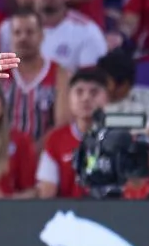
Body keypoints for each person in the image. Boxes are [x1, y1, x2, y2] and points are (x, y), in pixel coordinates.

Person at [37, 68, 109, 199]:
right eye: (79, 92)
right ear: (69, 99)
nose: (86, 98)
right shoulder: (56, 139)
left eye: (94, 92)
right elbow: (47, 192)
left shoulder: (119, 138)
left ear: (107, 99)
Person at [2, 8, 69, 143]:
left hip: (45, 153)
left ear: (41, 35)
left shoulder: (59, 73)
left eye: (29, 32)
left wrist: (33, 153)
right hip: (3, 152)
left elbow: (62, 123)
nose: (23, 38)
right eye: (17, 33)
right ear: (10, 37)